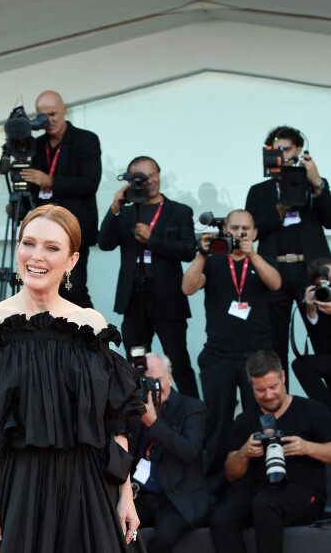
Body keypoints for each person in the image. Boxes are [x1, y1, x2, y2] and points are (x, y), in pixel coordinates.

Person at [0, 204, 145, 553]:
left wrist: (126, 495)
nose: (36, 256)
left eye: (52, 247)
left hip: (87, 488)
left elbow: (115, 421)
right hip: (14, 490)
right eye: (28, 243)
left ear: (71, 261)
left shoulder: (91, 323)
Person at [182, 209, 281, 496]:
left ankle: (261, 480)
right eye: (234, 228)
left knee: (260, 420)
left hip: (256, 358)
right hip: (219, 356)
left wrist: (252, 256)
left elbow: (276, 283)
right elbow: (187, 288)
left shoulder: (261, 260)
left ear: (254, 233)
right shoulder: (213, 261)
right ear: (226, 229)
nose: (239, 233)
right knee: (218, 422)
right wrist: (202, 254)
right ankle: (215, 487)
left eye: (245, 229)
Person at [210, 350, 331, 553]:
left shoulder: (312, 410)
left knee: (264, 504)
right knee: (222, 518)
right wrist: (244, 453)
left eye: (273, 387)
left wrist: (308, 447)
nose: (268, 395)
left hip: (305, 494)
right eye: (260, 390)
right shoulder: (244, 421)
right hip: (258, 490)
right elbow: (231, 473)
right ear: (250, 385)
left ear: (283, 377)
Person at [98, 156, 199, 398]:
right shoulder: (127, 213)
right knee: (135, 362)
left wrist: (153, 240)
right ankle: (137, 417)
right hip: (133, 297)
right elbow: (104, 243)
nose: (150, 181)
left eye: (153, 175)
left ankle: (193, 414)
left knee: (178, 362)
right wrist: (115, 207)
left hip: (168, 298)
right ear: (131, 181)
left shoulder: (179, 211)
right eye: (142, 177)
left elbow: (188, 251)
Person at [245, 126, 331, 377]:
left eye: (287, 149)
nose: (282, 155)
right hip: (274, 272)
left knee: (324, 337)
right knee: (274, 343)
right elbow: (254, 230)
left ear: (299, 150)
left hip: (311, 271)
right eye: (276, 151)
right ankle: (281, 404)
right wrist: (280, 209)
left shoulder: (314, 186)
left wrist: (317, 183)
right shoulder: (259, 191)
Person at [19, 90, 102, 308]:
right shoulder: (35, 145)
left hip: (73, 230)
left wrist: (50, 181)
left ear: (65, 109)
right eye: (42, 116)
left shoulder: (86, 140)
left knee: (73, 289)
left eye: (53, 114)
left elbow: (89, 183)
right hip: (42, 232)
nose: (49, 120)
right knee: (44, 291)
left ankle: (89, 339)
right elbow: (28, 186)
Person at [129, 353, 209, 553]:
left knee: (161, 542)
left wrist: (153, 423)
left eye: (158, 380)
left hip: (177, 498)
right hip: (141, 495)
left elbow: (190, 451)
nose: (153, 386)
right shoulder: (133, 411)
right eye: (146, 381)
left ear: (170, 379)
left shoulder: (192, 408)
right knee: (114, 528)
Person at [291, 257, 331, 409]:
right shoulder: (318, 299)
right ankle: (326, 411)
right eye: (323, 284)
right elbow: (321, 345)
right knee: (300, 365)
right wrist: (311, 311)